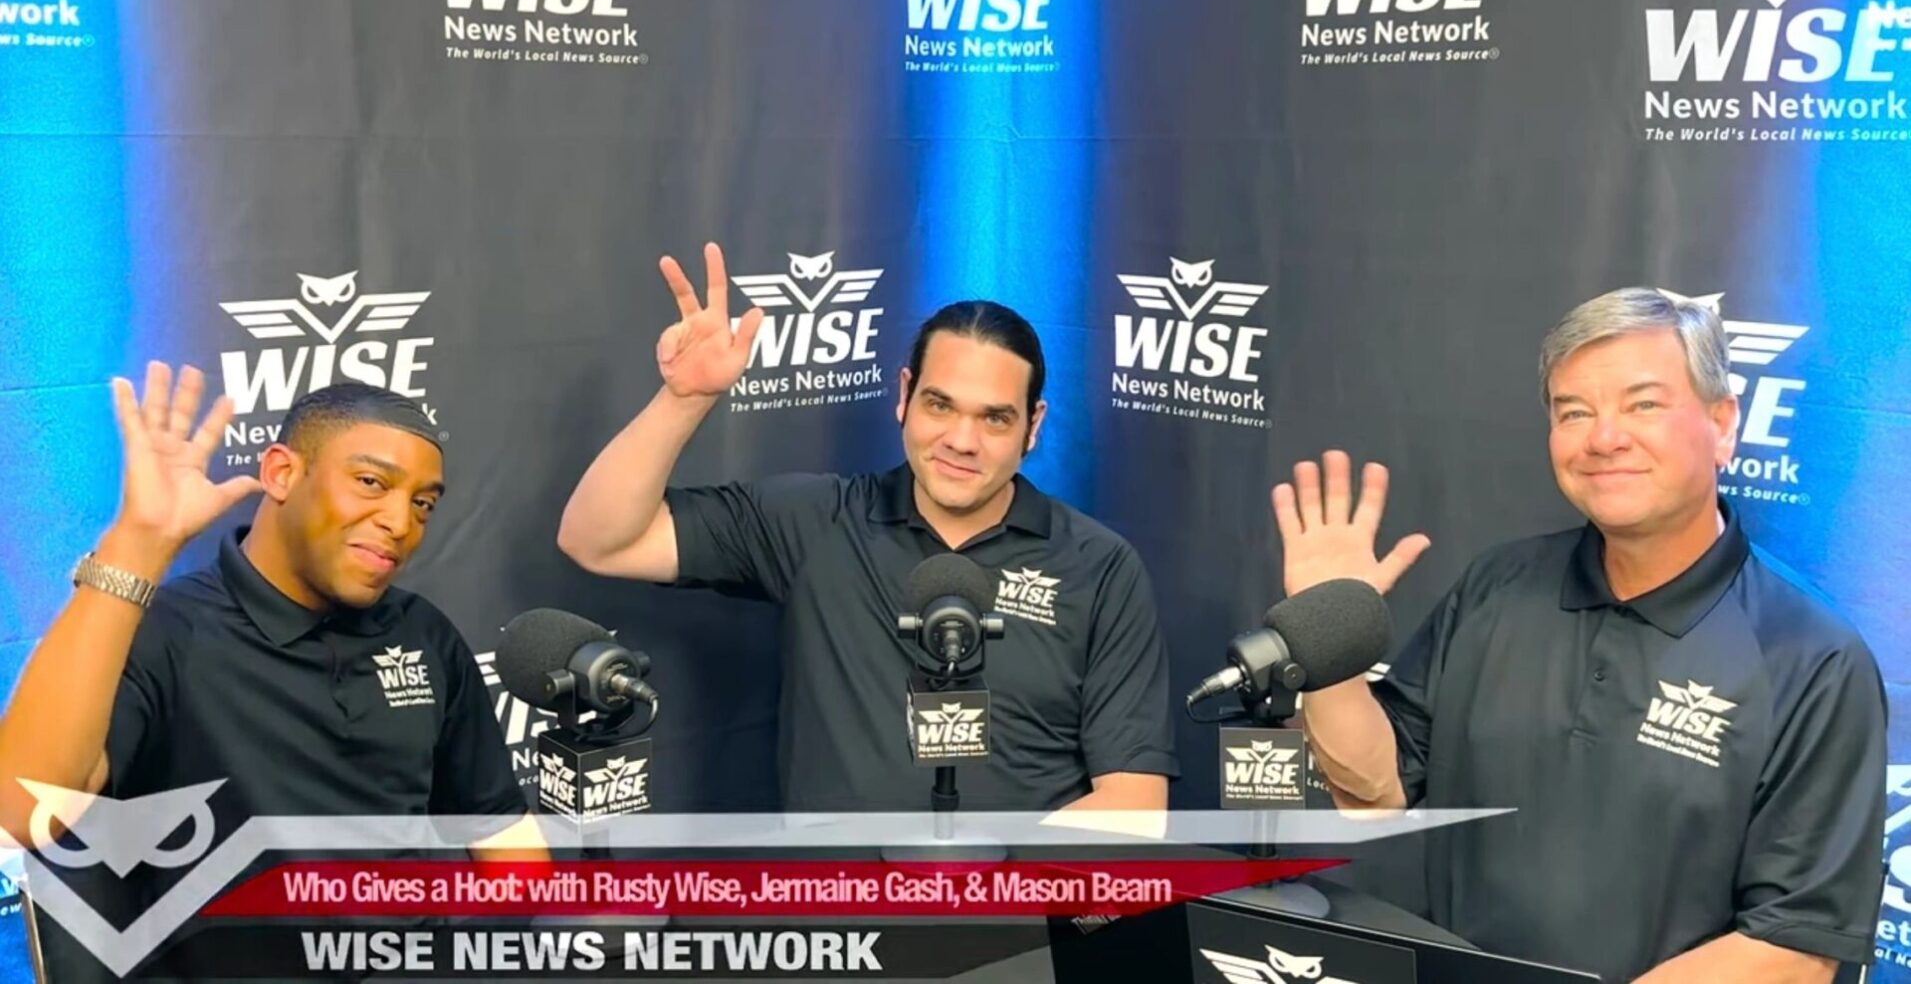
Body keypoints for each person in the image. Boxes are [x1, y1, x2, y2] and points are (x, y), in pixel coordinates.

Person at [1283, 288, 1885, 983]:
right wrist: (1327, 645)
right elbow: (1373, 793)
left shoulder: (1811, 655)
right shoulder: (1496, 585)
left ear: (1722, 425)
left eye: (1642, 405)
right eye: (1574, 412)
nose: (1603, 438)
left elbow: (1794, 948)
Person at [558, 243, 1177, 812]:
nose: (962, 441)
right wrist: (685, 398)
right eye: (940, 405)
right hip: (838, 918)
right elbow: (599, 540)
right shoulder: (814, 521)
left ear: (1033, 426)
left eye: (994, 419)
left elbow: (1133, 801)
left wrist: (988, 902)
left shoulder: (1098, 566)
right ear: (904, 395)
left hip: (1018, 917)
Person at [0, 366, 543, 973]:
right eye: (370, 482)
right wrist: (138, 543)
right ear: (282, 473)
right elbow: (22, 812)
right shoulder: (165, 632)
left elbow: (501, 831)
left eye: (422, 504)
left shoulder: (426, 635)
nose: (400, 522)